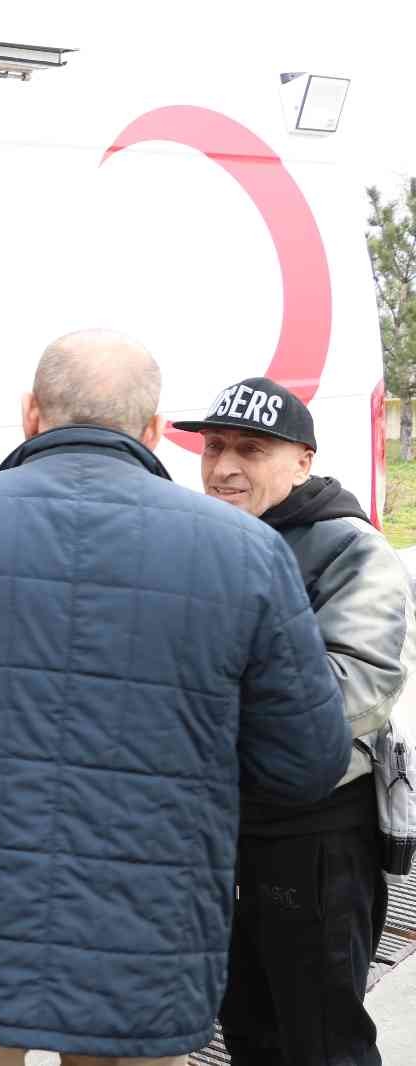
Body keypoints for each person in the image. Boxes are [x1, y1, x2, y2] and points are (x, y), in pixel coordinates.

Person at [0, 330, 353, 1066]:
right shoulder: (247, 551)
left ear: (31, 413)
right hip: (149, 925)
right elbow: (307, 761)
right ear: (151, 429)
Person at [175, 376, 404, 1066]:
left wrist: (201, 695)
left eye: (250, 449)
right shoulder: (204, 540)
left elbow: (352, 690)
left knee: (324, 1039)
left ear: (303, 461)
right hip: (223, 826)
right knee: (248, 1028)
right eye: (214, 447)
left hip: (315, 833)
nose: (223, 467)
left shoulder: (349, 548)